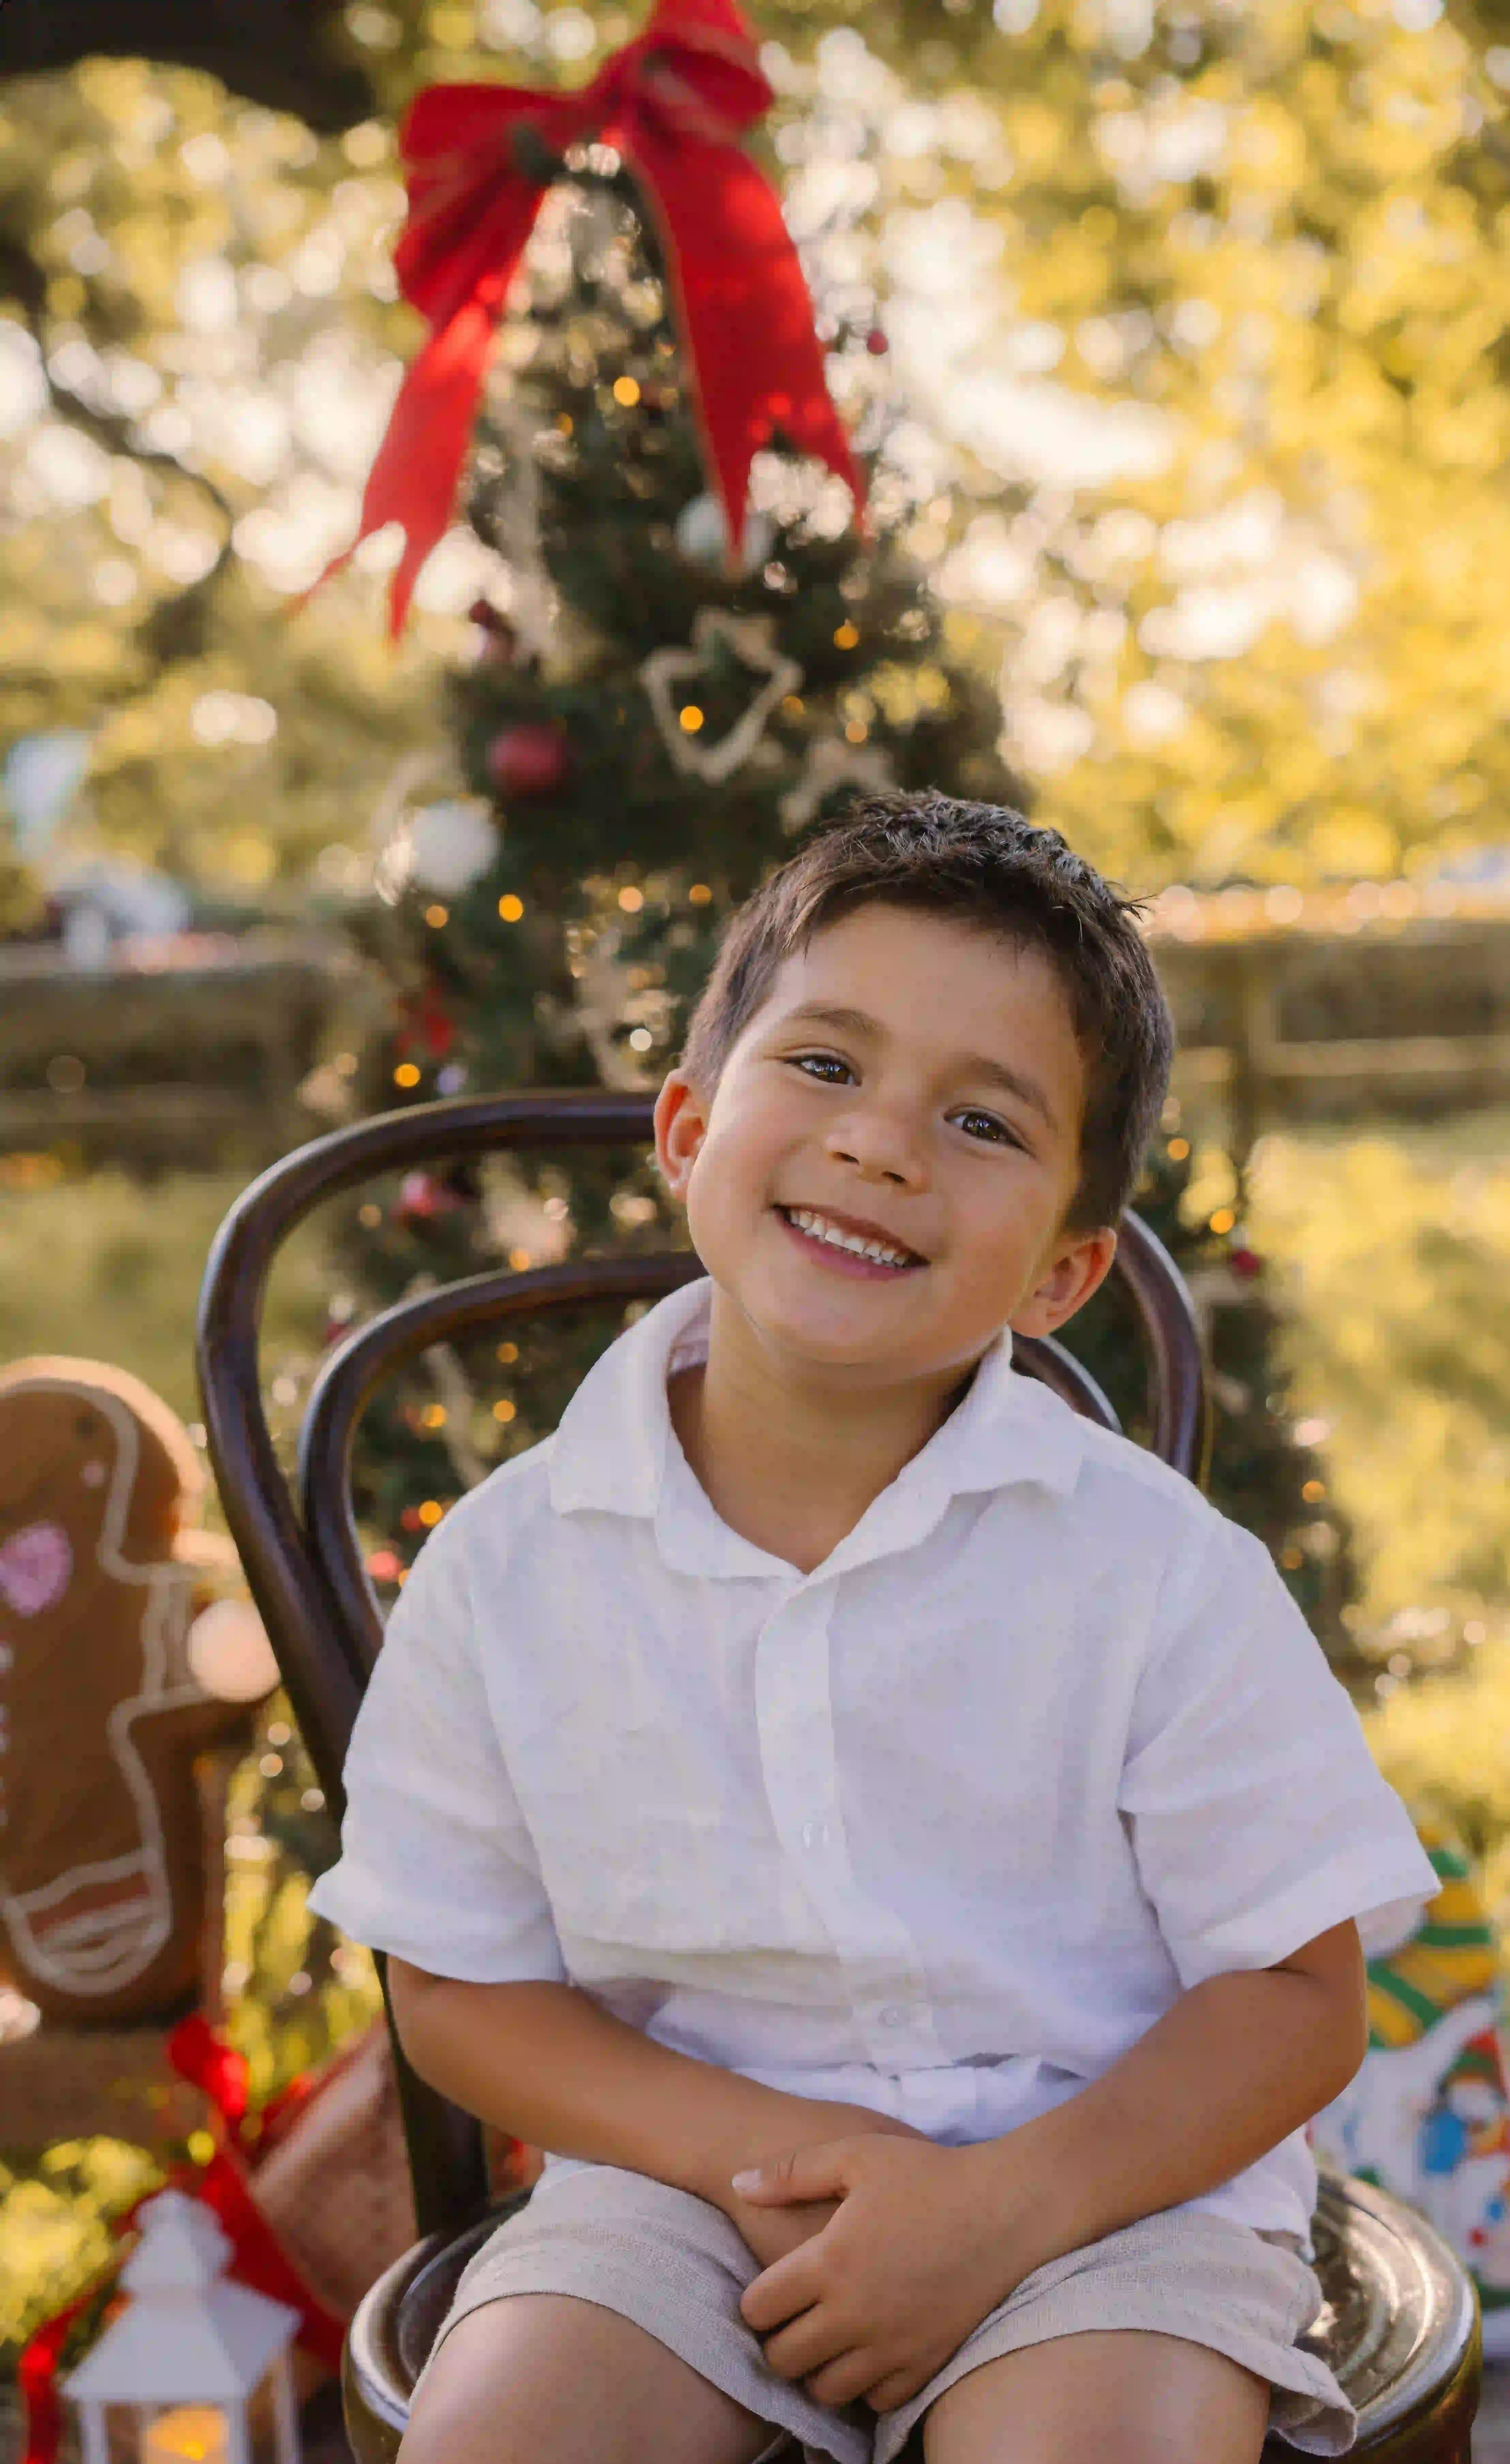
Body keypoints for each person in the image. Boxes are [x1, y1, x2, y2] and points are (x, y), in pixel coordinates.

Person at [307, 791, 1440, 2464]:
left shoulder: (1151, 1568)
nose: (882, 1142)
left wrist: (989, 2212)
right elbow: (462, 1993)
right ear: (689, 1129)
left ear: (1062, 1273)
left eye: (983, 1122)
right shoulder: (510, 1564)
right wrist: (796, 2167)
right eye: (826, 1067)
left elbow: (1293, 1994)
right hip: (691, 2188)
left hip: (1106, 2194)